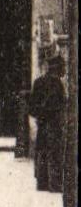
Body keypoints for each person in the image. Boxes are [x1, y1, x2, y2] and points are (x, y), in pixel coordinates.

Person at [28, 53, 66, 192]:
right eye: (63, 67)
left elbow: (31, 107)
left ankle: (42, 183)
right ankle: (55, 184)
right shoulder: (57, 84)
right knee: (54, 152)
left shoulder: (38, 82)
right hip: (54, 123)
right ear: (56, 68)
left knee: (42, 150)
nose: (64, 70)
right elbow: (61, 105)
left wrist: (40, 115)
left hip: (42, 122)